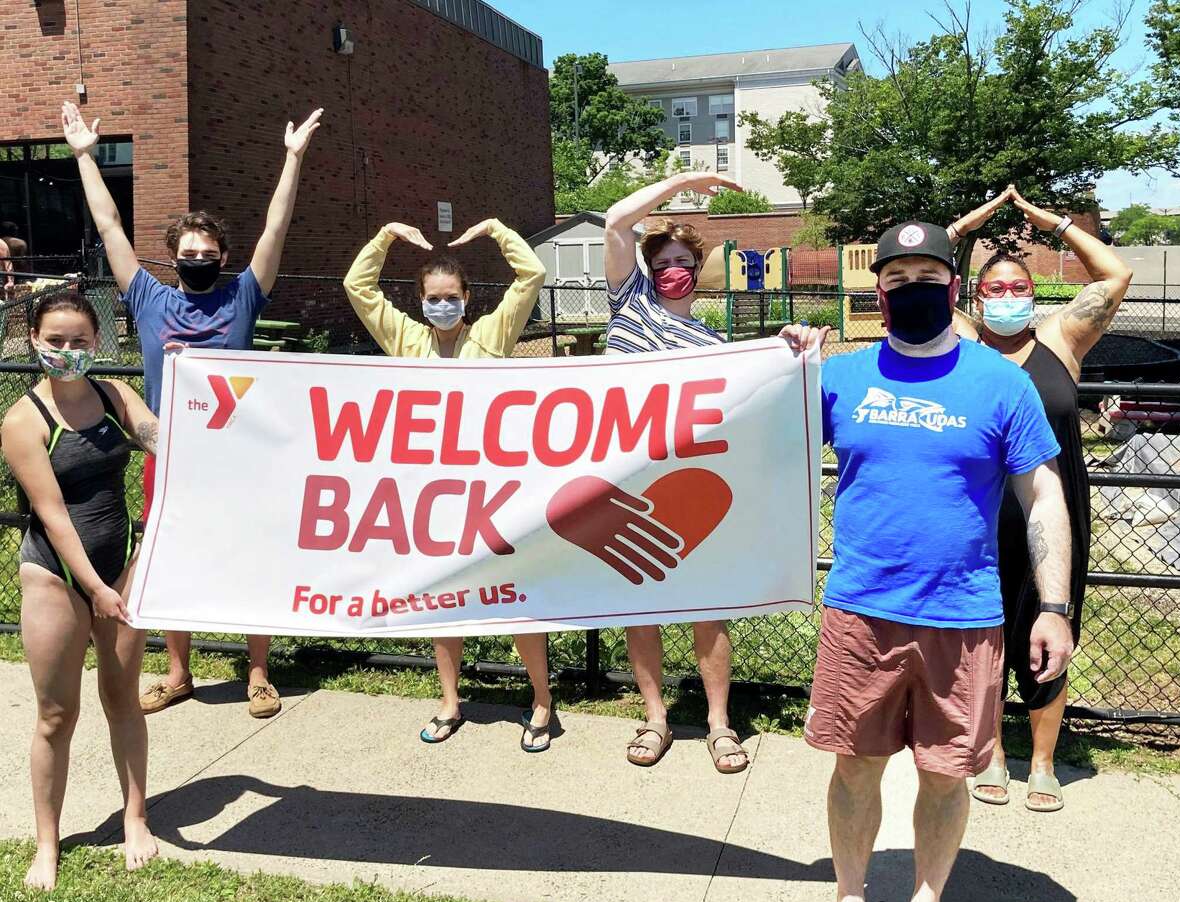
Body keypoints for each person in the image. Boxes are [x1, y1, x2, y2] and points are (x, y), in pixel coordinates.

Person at [783, 221, 1074, 902]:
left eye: (926, 274)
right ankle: (849, 901)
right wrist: (782, 368)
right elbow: (751, 442)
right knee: (855, 769)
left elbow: (1042, 495)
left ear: (954, 288)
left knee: (946, 776)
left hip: (964, 619)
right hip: (861, 612)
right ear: (877, 290)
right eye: (896, 275)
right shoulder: (838, 378)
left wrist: (1054, 607)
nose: (911, 287)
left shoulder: (1000, 383)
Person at [61, 100, 323, 720]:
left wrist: (292, 160)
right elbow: (108, 230)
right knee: (170, 558)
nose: (198, 260)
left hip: (241, 458)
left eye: (208, 253)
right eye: (189, 252)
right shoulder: (149, 298)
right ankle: (179, 672)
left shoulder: (242, 296)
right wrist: (84, 159)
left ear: (223, 259)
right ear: (172, 255)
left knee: (252, 558)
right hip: (169, 456)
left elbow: (275, 232)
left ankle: (258, 672)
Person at [947, 186, 1133, 812]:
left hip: (1056, 509)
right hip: (982, 510)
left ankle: (1044, 761)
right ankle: (995, 752)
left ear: (1034, 293)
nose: (1006, 296)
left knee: (1051, 623)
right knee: (988, 631)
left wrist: (1050, 222)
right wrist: (964, 225)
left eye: (1016, 286)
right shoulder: (965, 341)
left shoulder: (1064, 338)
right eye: (993, 288)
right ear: (976, 297)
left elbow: (1116, 271)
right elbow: (914, 275)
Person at [343, 216, 554, 751]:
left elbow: (532, 275)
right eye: (433, 297)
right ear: (421, 301)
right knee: (443, 597)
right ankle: (449, 700)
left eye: (451, 296)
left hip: (495, 492)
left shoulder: (491, 337)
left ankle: (542, 702)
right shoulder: (405, 339)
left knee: (516, 595)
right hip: (432, 494)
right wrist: (388, 235)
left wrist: (495, 231)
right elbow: (357, 287)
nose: (442, 304)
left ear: (467, 298)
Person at [1, 291, 161, 890]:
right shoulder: (22, 421)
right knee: (55, 714)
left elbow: (155, 435)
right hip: (57, 575)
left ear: (98, 343)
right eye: (56, 341)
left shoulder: (112, 395)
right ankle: (47, 842)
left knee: (123, 699)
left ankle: (136, 818)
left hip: (118, 563)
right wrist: (94, 588)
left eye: (79, 341)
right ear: (35, 341)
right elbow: (53, 515)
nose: (67, 351)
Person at [603, 171, 752, 774]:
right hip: (629, 482)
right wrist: (685, 181)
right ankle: (655, 716)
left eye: (683, 260)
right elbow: (615, 219)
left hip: (691, 487)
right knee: (642, 606)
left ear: (698, 268)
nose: (673, 270)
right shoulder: (628, 304)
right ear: (647, 266)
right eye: (662, 260)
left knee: (706, 608)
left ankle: (719, 722)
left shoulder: (714, 343)